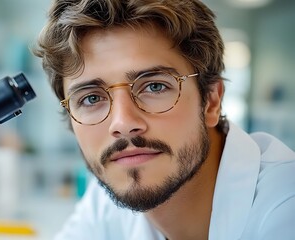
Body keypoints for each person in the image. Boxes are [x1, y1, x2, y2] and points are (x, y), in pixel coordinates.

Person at [33, 0, 295, 239]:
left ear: (211, 101)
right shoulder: (106, 202)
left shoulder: (285, 206)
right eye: (91, 99)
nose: (123, 123)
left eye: (154, 86)